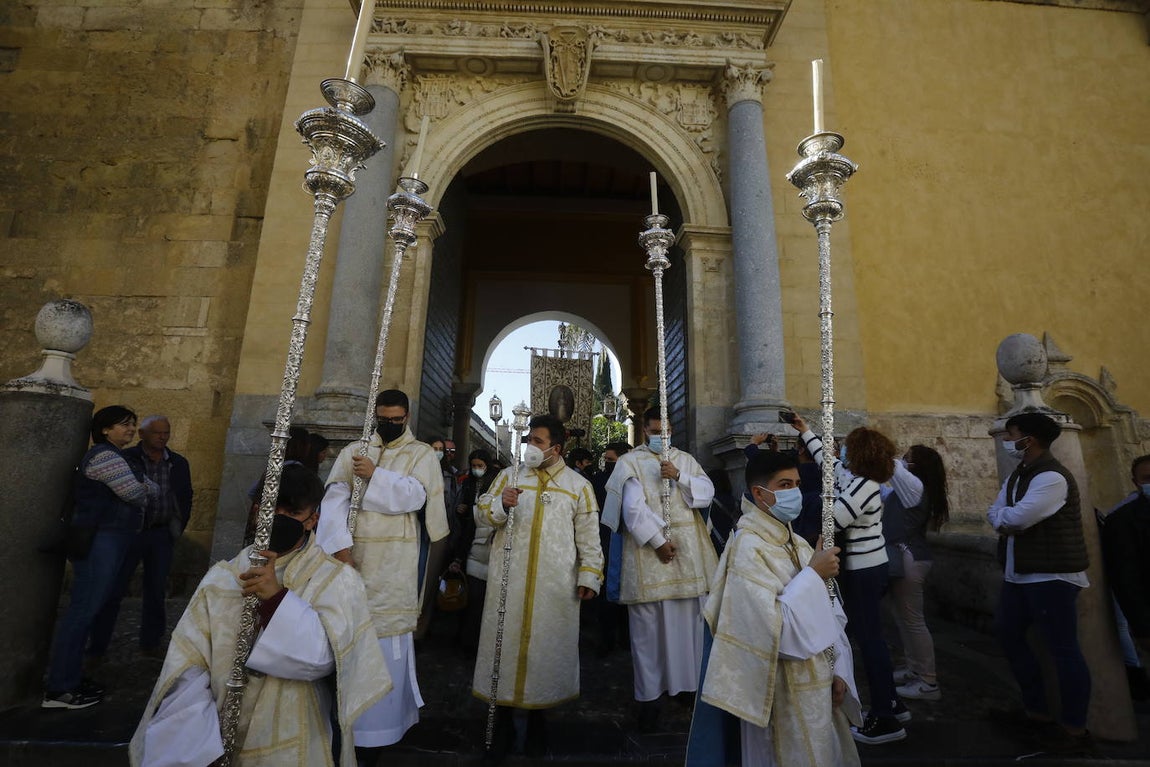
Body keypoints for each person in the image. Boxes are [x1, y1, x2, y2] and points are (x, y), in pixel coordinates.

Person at [130, 464, 389, 767]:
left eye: (292, 514)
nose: (277, 520)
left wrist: (275, 599)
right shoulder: (222, 578)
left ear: (312, 519)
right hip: (215, 729)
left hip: (290, 737)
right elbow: (189, 664)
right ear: (256, 511)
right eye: (270, 509)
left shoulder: (337, 580)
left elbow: (323, 660)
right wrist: (198, 744)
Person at [686, 450, 861, 766]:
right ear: (759, 493)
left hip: (819, 688)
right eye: (784, 484)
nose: (794, 491)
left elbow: (834, 613)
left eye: (796, 483)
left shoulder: (800, 544)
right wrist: (813, 575)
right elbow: (771, 630)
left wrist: (840, 670)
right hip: (778, 696)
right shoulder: (747, 550)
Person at [315, 389, 448, 760]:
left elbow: (416, 497)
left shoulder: (420, 454)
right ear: (376, 415)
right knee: (346, 639)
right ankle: (343, 727)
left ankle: (384, 729)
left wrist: (375, 477)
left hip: (395, 564)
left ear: (406, 417)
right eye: (383, 419)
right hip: (351, 558)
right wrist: (339, 546)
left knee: (387, 643)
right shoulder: (353, 451)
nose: (389, 425)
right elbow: (335, 498)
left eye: (396, 419)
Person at [472, 415, 603, 762]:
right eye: (529, 439)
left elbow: (589, 536)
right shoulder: (508, 477)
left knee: (545, 656)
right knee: (505, 650)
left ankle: (537, 728)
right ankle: (499, 731)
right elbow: (482, 512)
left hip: (554, 587)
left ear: (556, 448)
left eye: (539, 441)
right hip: (508, 585)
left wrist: (589, 574)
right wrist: (501, 504)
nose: (531, 445)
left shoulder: (578, 486)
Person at [791, 414, 909, 744]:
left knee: (870, 640)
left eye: (846, 449)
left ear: (859, 454)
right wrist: (805, 430)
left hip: (865, 570)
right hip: (863, 567)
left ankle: (886, 717)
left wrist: (812, 498)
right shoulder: (855, 478)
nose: (840, 453)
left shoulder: (866, 486)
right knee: (868, 635)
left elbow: (835, 518)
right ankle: (893, 702)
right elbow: (827, 463)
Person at [602, 407, 718, 732]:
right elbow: (632, 510)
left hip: (688, 559)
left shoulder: (686, 460)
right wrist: (657, 541)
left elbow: (707, 493)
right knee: (647, 635)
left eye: (665, 432)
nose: (660, 438)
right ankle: (649, 699)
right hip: (649, 559)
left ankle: (686, 690)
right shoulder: (630, 463)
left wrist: (679, 476)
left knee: (688, 630)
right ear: (643, 431)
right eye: (655, 432)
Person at [987, 412, 1091, 754]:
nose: (1007, 440)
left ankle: (1074, 729)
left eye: (1011, 434)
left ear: (1028, 439)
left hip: (1052, 576)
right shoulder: (1021, 474)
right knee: (1007, 632)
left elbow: (1017, 517)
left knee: (1063, 649)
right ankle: (1037, 711)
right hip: (1020, 573)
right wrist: (1005, 519)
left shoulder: (1052, 478)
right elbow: (998, 513)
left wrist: (1005, 519)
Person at [43, 405, 158, 709]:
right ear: (105, 429)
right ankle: (59, 689)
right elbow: (135, 492)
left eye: (133, 424)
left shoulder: (117, 458)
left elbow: (147, 488)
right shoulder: (105, 457)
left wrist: (142, 486)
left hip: (110, 539)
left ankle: (71, 678)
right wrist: (142, 486)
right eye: (124, 425)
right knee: (82, 612)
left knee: (88, 611)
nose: (131, 430)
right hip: (100, 541)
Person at [88, 415, 193, 663]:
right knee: (114, 588)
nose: (162, 437)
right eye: (157, 433)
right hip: (130, 533)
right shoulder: (127, 458)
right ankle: (97, 646)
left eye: (166, 433)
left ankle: (151, 642)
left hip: (161, 533)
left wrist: (177, 525)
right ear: (143, 434)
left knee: (156, 589)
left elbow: (185, 495)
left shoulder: (178, 462)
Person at [884, 445, 949, 702]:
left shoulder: (913, 488)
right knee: (903, 618)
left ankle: (928, 681)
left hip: (910, 556)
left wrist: (892, 458)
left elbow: (891, 466)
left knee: (913, 620)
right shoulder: (908, 489)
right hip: (906, 555)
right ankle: (915, 669)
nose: (902, 459)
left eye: (907, 457)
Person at [449, 448, 497, 654]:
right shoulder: (467, 482)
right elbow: (466, 525)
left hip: (491, 547)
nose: (477, 469)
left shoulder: (496, 484)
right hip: (471, 541)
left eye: (481, 466)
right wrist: (463, 510)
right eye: (474, 466)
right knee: (471, 599)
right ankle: (466, 641)